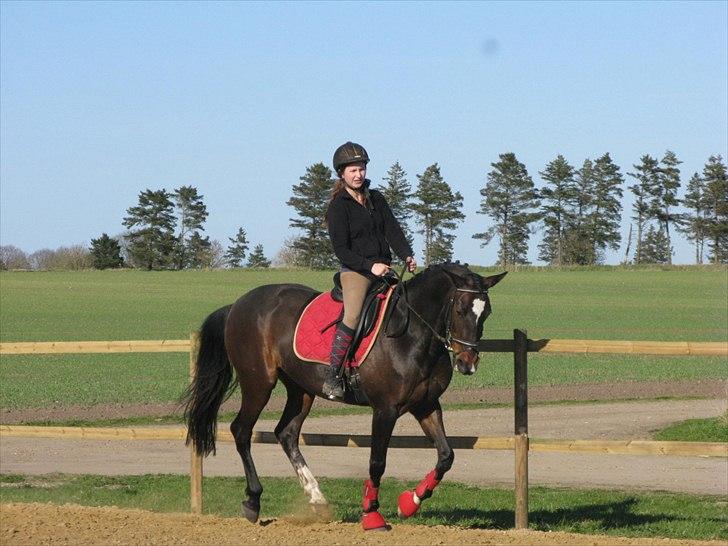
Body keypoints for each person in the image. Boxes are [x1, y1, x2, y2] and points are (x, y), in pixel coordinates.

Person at [323, 141, 417, 399]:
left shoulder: (376, 199)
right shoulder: (338, 206)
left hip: (384, 269)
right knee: (352, 315)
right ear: (342, 174)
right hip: (356, 271)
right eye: (352, 170)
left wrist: (406, 254)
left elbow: (393, 231)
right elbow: (341, 250)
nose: (358, 174)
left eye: (361, 168)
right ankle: (333, 375)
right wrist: (369, 265)